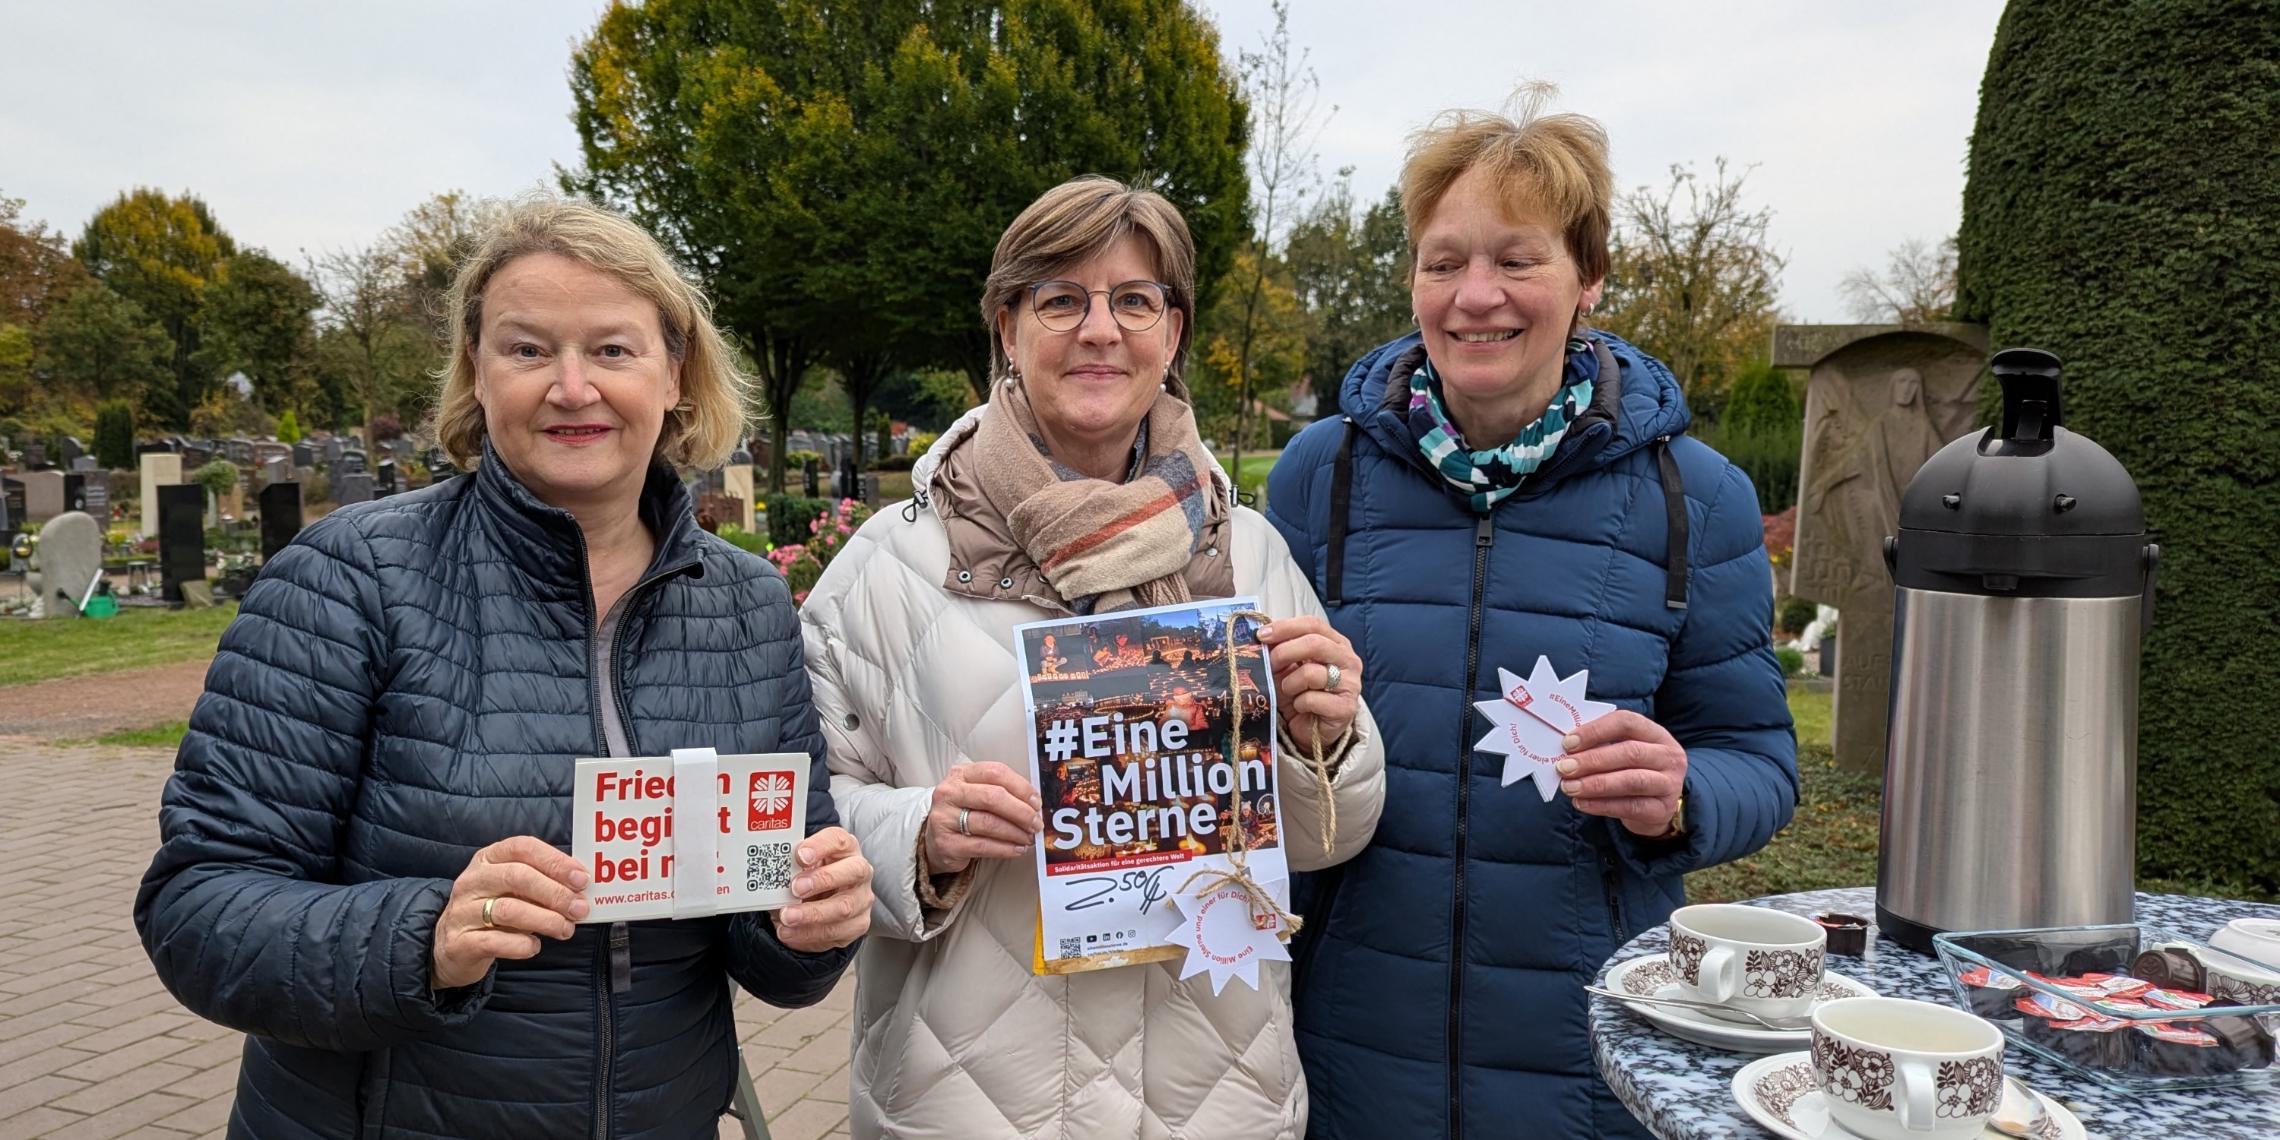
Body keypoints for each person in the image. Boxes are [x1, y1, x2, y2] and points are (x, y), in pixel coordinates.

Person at [134, 198, 873, 1139]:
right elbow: (197, 907)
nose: (572, 388)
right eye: (528, 350)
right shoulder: (350, 578)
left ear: (673, 374)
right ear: (476, 374)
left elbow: (769, 916)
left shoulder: (746, 603)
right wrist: (424, 940)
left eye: (612, 350)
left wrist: (809, 922)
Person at [800, 176, 1387, 1139]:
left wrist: (1318, 744)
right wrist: (921, 834)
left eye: (1134, 300)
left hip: (1215, 1096)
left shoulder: (1252, 555)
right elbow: (811, 816)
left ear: (1174, 332)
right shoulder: (886, 568)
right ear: (1007, 326)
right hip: (966, 1102)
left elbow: (1329, 839)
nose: (1099, 329)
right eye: (1060, 298)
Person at [1266, 91, 1797, 1139]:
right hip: (1346, 1048)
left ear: (1588, 278)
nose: (1476, 297)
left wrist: (1685, 792)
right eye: (1443, 260)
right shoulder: (1318, 478)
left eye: (1518, 260)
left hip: (1589, 1051)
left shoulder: (1697, 498)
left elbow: (1761, 757)